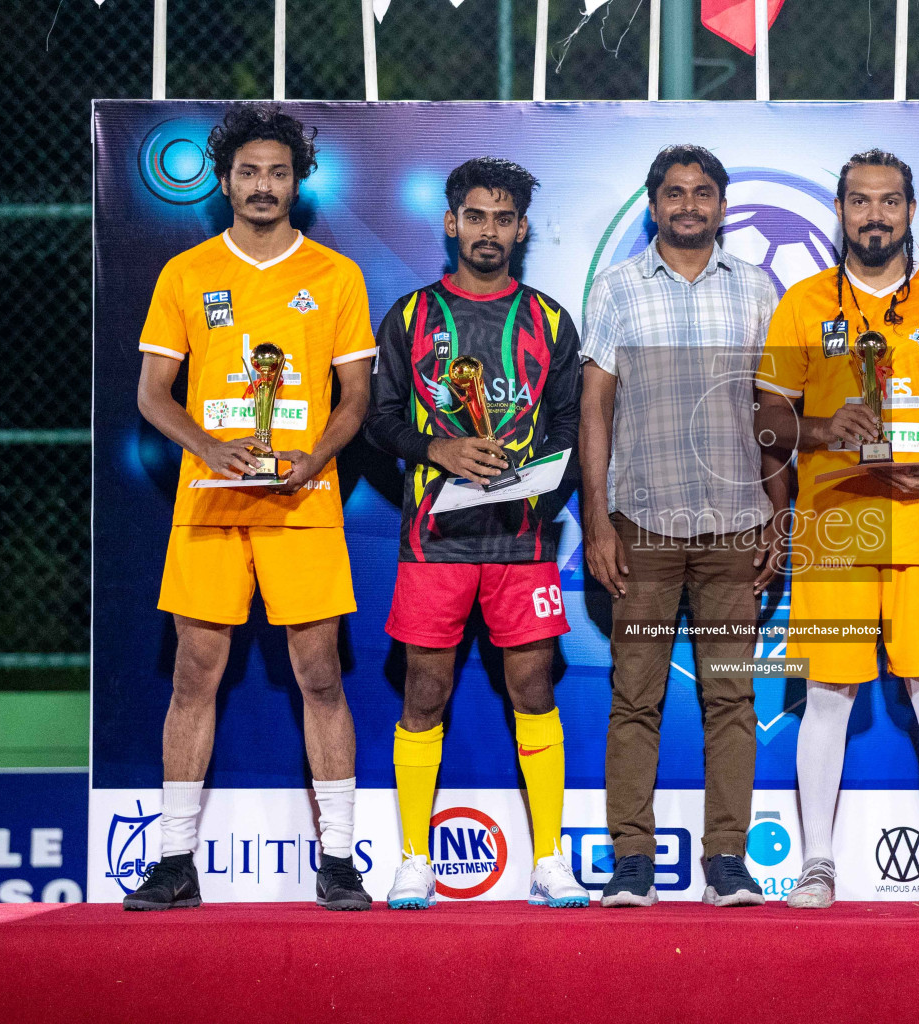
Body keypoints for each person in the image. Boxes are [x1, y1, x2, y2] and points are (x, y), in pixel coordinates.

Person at [124, 104, 376, 911]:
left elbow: (357, 397)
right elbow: (152, 395)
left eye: (278, 172)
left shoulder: (335, 274)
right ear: (225, 181)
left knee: (320, 675)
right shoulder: (188, 273)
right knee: (195, 674)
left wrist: (317, 455)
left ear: (297, 181)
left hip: (302, 499)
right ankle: (173, 861)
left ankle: (338, 860)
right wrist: (206, 445)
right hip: (209, 502)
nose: (263, 185)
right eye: (248, 172)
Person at [755, 149, 919, 911]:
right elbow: (766, 419)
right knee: (827, 694)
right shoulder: (802, 303)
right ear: (840, 212)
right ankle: (817, 864)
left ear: (911, 212)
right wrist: (824, 425)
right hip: (837, 522)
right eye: (859, 202)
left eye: (889, 202)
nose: (874, 216)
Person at [363, 157, 587, 909]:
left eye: (504, 218)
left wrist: (538, 476)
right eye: (475, 216)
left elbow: (568, 426)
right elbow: (376, 418)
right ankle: (413, 859)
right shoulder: (409, 317)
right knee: (424, 690)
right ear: (451, 221)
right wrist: (440, 449)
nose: (489, 231)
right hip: (433, 541)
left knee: (533, 687)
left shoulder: (551, 320)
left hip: (522, 541)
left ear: (522, 229)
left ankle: (551, 858)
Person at [579, 145, 782, 908]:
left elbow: (772, 411)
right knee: (636, 699)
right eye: (674, 193)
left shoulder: (758, 288)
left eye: (702, 193)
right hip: (644, 526)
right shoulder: (618, 288)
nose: (689, 205)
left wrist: (780, 513)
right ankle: (632, 860)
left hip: (736, 526)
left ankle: (726, 860)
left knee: (732, 700)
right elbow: (595, 408)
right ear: (653, 205)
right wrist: (597, 520)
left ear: (722, 206)